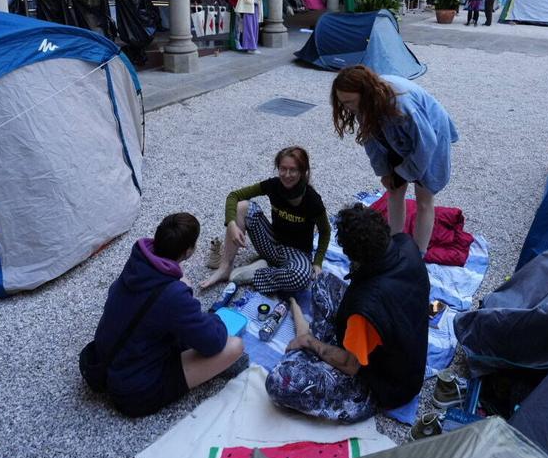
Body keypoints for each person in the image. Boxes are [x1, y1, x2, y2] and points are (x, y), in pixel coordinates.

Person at [265, 204, 430, 422]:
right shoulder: (405, 244)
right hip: (395, 337)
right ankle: (320, 345)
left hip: (386, 385)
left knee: (278, 381)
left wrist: (309, 342)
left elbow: (351, 366)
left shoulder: (365, 309)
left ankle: (312, 350)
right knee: (322, 281)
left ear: (354, 255)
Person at [84, 213, 244, 417]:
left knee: (181, 283)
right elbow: (212, 342)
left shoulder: (138, 260)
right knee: (234, 347)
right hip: (135, 391)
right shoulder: (173, 296)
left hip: (107, 360)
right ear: (189, 251)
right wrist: (214, 318)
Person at [331, 65, 458, 254]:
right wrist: (385, 172)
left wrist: (403, 174)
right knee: (393, 190)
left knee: (424, 198)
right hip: (395, 136)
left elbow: (425, 144)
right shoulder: (362, 101)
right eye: (343, 102)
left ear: (364, 94)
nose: (347, 107)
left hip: (431, 135)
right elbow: (370, 139)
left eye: (349, 102)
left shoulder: (402, 105)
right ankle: (392, 245)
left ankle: (417, 255)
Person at [200, 147, 329, 293]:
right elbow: (234, 196)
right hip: (271, 243)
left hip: (297, 254)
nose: (287, 175)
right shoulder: (273, 185)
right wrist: (231, 224)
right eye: (283, 169)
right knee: (242, 207)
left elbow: (325, 232)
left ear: (302, 171)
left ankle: (255, 272)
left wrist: (317, 263)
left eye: (293, 170)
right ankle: (225, 267)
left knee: (300, 278)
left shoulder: (312, 200)